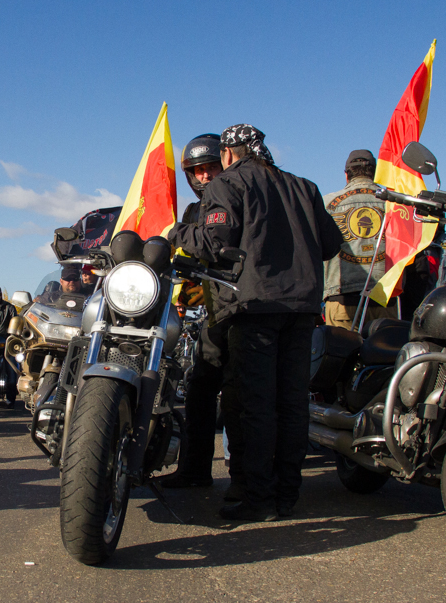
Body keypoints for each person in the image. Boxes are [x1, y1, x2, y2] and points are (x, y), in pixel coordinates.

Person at [168, 125, 342, 521]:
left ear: (229, 154)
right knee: (293, 403)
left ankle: (257, 497)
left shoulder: (229, 184)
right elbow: (331, 245)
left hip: (255, 306)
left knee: (255, 405)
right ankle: (285, 496)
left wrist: (179, 231)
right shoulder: (305, 187)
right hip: (301, 308)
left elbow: (213, 242)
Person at [162, 134, 243, 493]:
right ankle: (195, 469)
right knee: (198, 388)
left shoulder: (238, 198)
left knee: (241, 396)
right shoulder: (193, 212)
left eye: (211, 167)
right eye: (198, 171)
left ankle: (244, 477)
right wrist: (181, 295)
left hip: (243, 309)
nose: (206, 176)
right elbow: (189, 261)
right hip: (213, 315)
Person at [322, 150, 398, 329]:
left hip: (341, 298)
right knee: (385, 355)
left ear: (346, 174)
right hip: (385, 297)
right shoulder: (395, 204)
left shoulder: (326, 203)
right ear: (375, 172)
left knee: (340, 354)